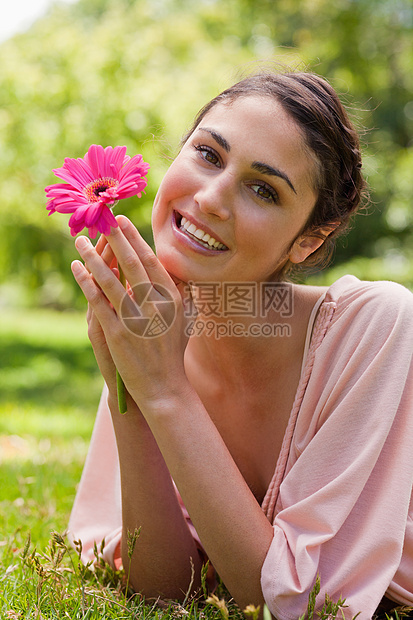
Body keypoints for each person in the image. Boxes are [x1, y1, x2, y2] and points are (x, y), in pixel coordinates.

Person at [68, 70, 413, 619]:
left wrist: (164, 390)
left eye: (263, 190)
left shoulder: (373, 325)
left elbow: (303, 605)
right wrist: (131, 392)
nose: (210, 199)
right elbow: (162, 587)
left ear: (308, 240)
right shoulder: (154, 331)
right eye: (207, 154)